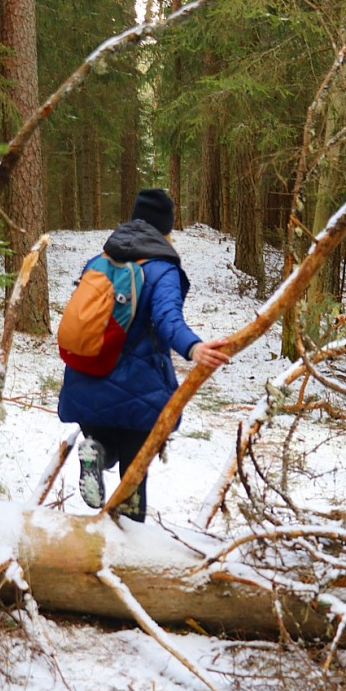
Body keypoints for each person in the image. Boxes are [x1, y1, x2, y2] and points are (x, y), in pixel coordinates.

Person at [57, 188, 229, 522]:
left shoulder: (100, 260)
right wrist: (193, 347)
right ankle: (130, 549)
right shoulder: (162, 269)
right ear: (166, 228)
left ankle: (97, 452)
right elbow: (168, 319)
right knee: (134, 475)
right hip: (140, 389)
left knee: (103, 441)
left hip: (86, 380)